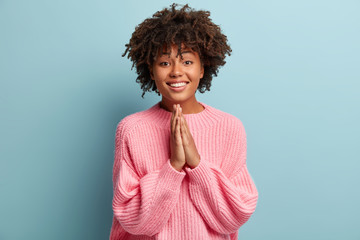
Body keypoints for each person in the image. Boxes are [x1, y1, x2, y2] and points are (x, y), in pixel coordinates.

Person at [109, 3, 258, 240]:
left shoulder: (229, 128)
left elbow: (234, 214)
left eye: (187, 62)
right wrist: (174, 166)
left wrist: (197, 164)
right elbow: (130, 219)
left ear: (202, 68)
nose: (176, 72)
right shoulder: (132, 129)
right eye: (165, 63)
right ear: (151, 70)